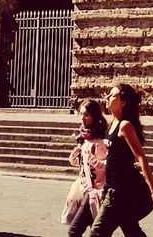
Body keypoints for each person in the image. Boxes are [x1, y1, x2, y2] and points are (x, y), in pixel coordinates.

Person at [88, 83, 153, 237]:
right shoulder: (111, 124)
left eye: (112, 95)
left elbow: (141, 157)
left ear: (123, 102)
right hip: (112, 187)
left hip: (121, 190)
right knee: (131, 229)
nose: (107, 97)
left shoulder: (125, 126)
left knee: (97, 233)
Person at [64, 98, 110, 237]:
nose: (82, 118)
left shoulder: (100, 141)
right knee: (95, 232)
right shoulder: (84, 137)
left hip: (95, 191)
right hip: (84, 188)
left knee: (74, 231)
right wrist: (74, 159)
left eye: (86, 114)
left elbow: (108, 165)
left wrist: (95, 161)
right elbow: (85, 165)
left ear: (94, 116)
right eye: (81, 114)